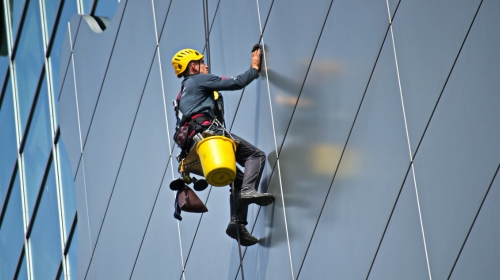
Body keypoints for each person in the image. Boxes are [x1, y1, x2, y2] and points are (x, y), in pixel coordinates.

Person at [171, 47, 275, 246]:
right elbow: (236, 82)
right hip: (208, 137)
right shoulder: (197, 80)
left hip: (194, 152)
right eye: (202, 63)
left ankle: (237, 223)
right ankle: (248, 191)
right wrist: (254, 69)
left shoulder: (182, 94)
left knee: (238, 179)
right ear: (193, 66)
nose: (206, 66)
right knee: (256, 156)